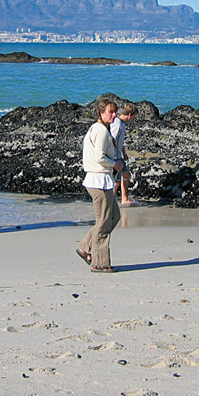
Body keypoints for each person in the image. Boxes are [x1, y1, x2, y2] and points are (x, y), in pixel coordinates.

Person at [77, 98, 124, 272]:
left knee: (114, 217)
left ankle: (85, 246)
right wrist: (115, 164)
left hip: (101, 179)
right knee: (104, 223)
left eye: (115, 112)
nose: (114, 115)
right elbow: (100, 158)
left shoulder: (99, 129)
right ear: (101, 112)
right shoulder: (101, 130)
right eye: (110, 112)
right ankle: (100, 262)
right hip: (98, 179)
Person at [111, 102, 140, 207]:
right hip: (115, 157)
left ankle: (123, 198)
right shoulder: (117, 124)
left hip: (119, 155)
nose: (133, 119)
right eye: (134, 117)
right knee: (117, 180)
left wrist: (124, 152)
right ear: (129, 115)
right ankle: (111, 200)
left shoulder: (121, 123)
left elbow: (119, 141)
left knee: (125, 175)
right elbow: (112, 139)